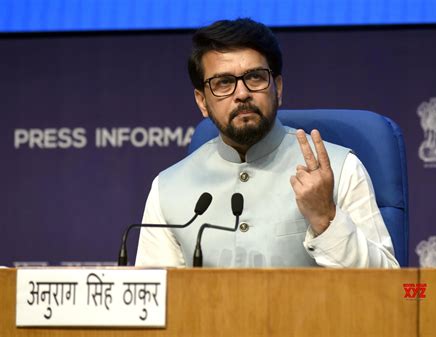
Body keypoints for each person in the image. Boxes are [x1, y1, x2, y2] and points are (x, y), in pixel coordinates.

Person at [135, 18, 399, 268]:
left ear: (278, 88)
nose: (242, 93)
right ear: (202, 101)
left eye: (255, 77)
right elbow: (153, 303)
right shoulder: (167, 189)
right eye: (223, 82)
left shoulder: (341, 170)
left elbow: (388, 286)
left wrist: (326, 219)